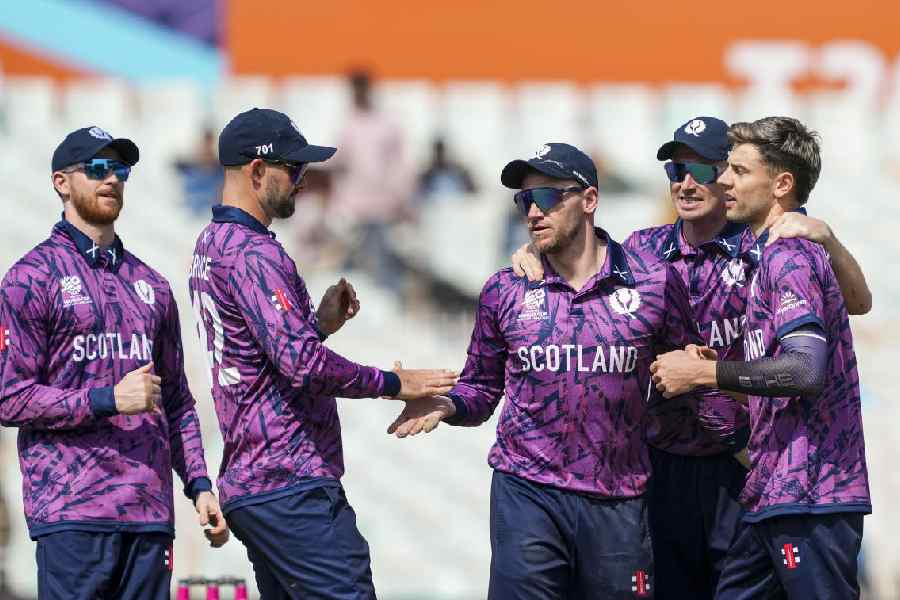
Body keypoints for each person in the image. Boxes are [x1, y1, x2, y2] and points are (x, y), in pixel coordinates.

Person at [508, 117, 873, 599]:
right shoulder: (643, 249)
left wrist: (826, 237)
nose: (687, 182)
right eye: (676, 170)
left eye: (705, 169)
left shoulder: (771, 244)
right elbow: (583, 270)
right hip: (667, 461)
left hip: (745, 460)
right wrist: (538, 253)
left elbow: (855, 305)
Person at [388, 142, 741, 599]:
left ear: (589, 199)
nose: (534, 211)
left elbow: (689, 377)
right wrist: (447, 405)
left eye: (548, 197)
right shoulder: (505, 290)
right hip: (527, 491)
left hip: (619, 499)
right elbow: (481, 389)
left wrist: (745, 443)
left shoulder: (654, 283)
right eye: (524, 200)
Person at [188, 108, 458, 599]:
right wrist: (396, 384)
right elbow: (303, 364)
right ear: (256, 170)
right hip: (289, 481)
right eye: (293, 168)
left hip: (258, 480)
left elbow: (269, 360)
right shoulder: (252, 251)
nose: (302, 181)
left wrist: (318, 326)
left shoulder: (212, 243)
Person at [0, 126, 227, 600]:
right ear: (61, 182)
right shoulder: (29, 278)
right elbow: (10, 397)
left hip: (149, 512)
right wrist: (107, 399)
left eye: (120, 170)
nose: (112, 179)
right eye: (97, 168)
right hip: (71, 512)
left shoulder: (152, 284)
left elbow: (178, 401)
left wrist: (200, 485)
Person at [651, 117, 871, 599]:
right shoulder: (770, 252)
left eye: (738, 171)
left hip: (811, 493)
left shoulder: (789, 256)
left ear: (781, 184)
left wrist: (704, 373)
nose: (724, 181)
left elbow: (805, 370)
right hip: (772, 490)